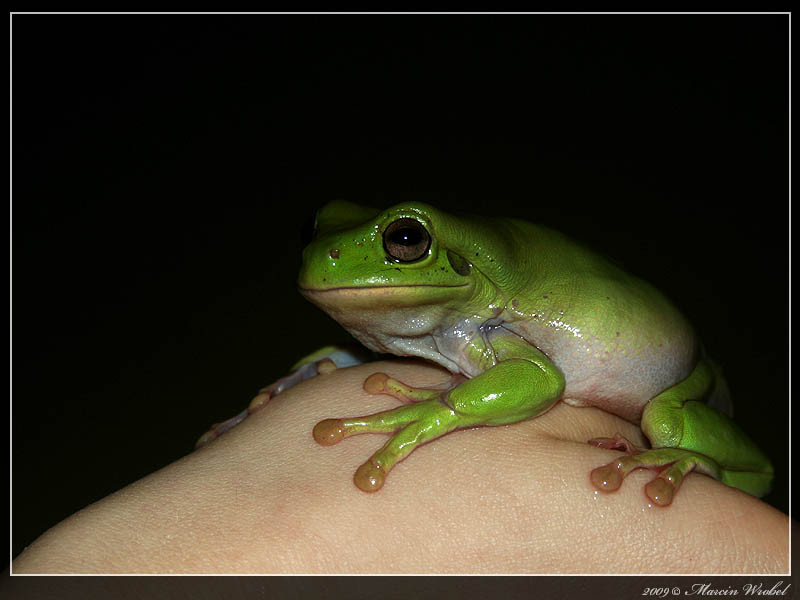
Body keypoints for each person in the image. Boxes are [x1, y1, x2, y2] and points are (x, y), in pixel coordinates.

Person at [12, 360, 789, 574]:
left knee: (672, 423)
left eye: (405, 244)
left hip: (672, 412)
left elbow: (542, 380)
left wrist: (444, 413)